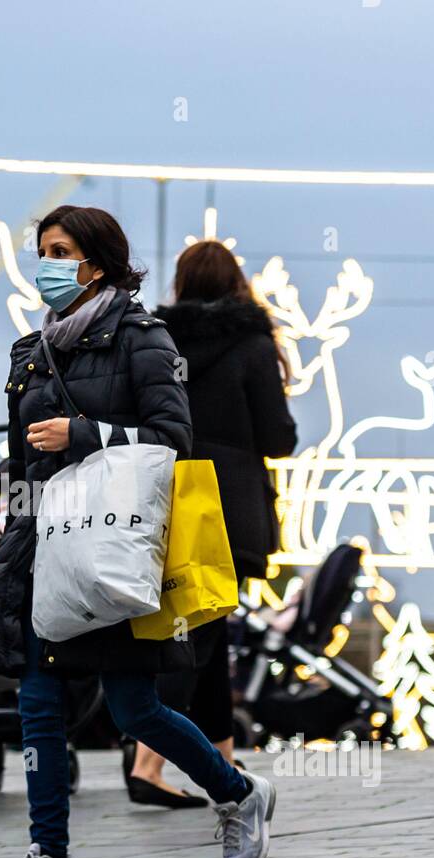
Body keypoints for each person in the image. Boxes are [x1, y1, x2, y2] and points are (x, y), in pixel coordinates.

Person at [0, 206, 275, 858]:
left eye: (61, 252)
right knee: (38, 700)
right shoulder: (30, 352)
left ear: (99, 263)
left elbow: (173, 438)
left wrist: (83, 434)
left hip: (114, 547)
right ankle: (49, 854)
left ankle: (237, 794)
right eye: (43, 252)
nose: (48, 265)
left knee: (134, 707)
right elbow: (27, 457)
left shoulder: (144, 338)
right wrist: (9, 498)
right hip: (45, 545)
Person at [127, 240, 299, 807]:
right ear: (235, 284)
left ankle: (221, 756)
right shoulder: (252, 344)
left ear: (180, 284)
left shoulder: (157, 340)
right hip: (228, 506)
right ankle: (147, 763)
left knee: (206, 626)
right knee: (195, 633)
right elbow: (278, 437)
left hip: (168, 499)